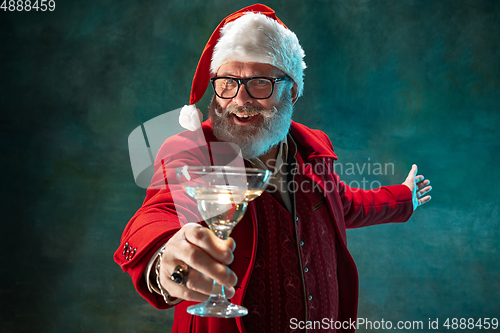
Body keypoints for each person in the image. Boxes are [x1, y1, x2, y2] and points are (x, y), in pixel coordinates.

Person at [114, 4, 432, 332]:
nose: (240, 99)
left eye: (260, 83)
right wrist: (165, 256)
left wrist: (404, 197)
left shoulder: (314, 149)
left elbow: (343, 205)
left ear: (291, 90)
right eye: (228, 82)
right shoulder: (192, 150)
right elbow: (159, 212)